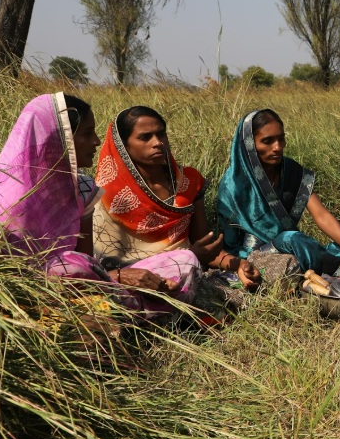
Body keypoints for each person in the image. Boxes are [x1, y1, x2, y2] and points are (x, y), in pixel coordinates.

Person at [0, 94, 199, 321]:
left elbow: (88, 263)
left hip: (91, 285)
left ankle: (126, 314)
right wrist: (120, 277)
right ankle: (135, 314)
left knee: (184, 261)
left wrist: (117, 277)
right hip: (33, 298)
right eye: (86, 134)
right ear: (58, 139)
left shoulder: (82, 188)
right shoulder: (1, 200)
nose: (96, 141)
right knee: (72, 267)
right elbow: (7, 279)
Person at [93, 106, 250, 301]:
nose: (157, 143)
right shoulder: (106, 194)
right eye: (145, 137)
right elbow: (103, 264)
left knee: (281, 264)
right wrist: (189, 257)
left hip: (186, 270)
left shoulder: (188, 182)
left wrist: (237, 264)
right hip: (131, 282)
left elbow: (202, 247)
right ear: (123, 145)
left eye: (161, 134)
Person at [216, 109, 340, 281]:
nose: (277, 147)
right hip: (251, 258)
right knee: (292, 242)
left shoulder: (291, 170)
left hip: (290, 247)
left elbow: (321, 215)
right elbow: (231, 244)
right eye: (267, 141)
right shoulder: (233, 183)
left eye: (281, 138)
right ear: (249, 144)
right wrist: (243, 265)